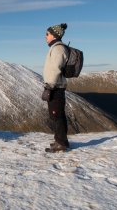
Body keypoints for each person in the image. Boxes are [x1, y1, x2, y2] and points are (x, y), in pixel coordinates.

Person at [42, 23, 70, 152]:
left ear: (54, 35)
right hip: (56, 86)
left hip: (55, 87)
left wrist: (50, 86)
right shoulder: (56, 48)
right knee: (57, 115)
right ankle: (60, 140)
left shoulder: (58, 49)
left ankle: (61, 144)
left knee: (56, 115)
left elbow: (55, 68)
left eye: (47, 34)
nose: (45, 36)